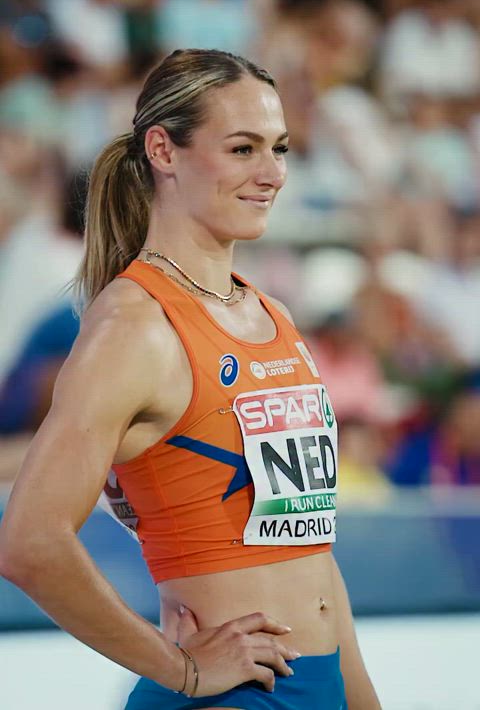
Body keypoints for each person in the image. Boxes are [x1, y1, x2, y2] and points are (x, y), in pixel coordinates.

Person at [0, 49, 380, 709]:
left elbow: (311, 548)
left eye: (280, 148)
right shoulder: (133, 326)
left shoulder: (273, 314)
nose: (272, 174)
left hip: (317, 688)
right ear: (163, 151)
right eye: (242, 149)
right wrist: (182, 670)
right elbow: (30, 542)